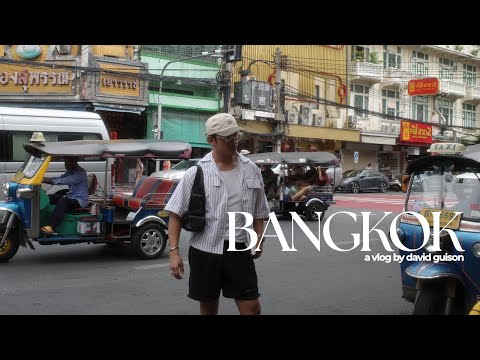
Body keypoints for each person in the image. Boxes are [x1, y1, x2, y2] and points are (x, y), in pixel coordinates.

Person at [165, 113, 270, 315]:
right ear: (211, 140)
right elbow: (175, 214)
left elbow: (259, 211)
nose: (234, 141)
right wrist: (174, 252)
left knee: (252, 308)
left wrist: (259, 238)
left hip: (239, 249)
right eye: (227, 138)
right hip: (205, 251)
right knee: (209, 308)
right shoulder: (196, 172)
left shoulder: (252, 170)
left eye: (236, 136)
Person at [40, 156, 89, 235]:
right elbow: (60, 177)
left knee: (64, 201)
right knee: (50, 197)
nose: (65, 165)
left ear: (74, 162)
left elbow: (63, 181)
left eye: (67, 162)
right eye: (65, 162)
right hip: (71, 198)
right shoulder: (70, 172)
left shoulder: (80, 173)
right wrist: (46, 179)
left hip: (80, 201)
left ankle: (51, 226)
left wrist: (50, 181)